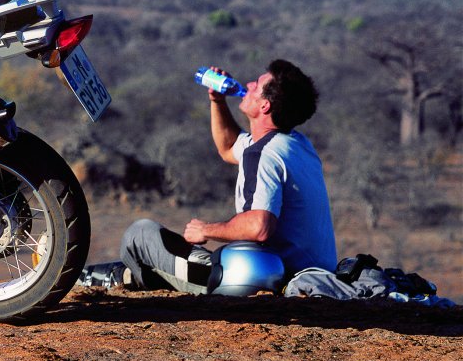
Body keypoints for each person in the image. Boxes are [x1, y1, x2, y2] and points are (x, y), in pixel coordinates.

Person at [83, 60, 337, 294]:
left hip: (269, 279)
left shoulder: (263, 153)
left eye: (257, 85)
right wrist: (217, 100)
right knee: (155, 251)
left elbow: (259, 227)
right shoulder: (297, 144)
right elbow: (228, 148)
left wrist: (207, 230)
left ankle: (129, 278)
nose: (248, 85)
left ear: (264, 105)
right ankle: (129, 276)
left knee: (140, 235)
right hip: (311, 275)